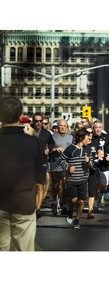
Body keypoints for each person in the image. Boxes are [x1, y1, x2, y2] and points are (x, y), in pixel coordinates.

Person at [0, 97, 44, 251]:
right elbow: (40, 180)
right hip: (24, 203)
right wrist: (37, 205)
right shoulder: (32, 142)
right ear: (20, 117)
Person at [60, 128, 93, 229]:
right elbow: (62, 160)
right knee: (74, 200)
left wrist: (88, 162)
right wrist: (68, 167)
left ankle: (77, 221)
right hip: (72, 180)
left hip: (83, 179)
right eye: (87, 137)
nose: (89, 139)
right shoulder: (70, 149)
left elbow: (91, 165)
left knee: (82, 201)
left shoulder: (88, 150)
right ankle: (70, 212)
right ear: (81, 138)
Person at [32, 112, 55, 219]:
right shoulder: (28, 132)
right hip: (28, 163)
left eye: (40, 121)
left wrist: (48, 149)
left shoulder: (46, 133)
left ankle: (38, 209)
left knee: (40, 185)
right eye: (36, 121)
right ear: (33, 121)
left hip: (41, 162)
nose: (38, 123)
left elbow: (52, 143)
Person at [49, 118, 74, 216]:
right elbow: (48, 150)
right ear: (57, 127)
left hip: (66, 163)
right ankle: (55, 202)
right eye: (61, 126)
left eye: (64, 126)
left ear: (67, 127)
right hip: (55, 163)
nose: (63, 127)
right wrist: (56, 149)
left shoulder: (71, 137)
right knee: (56, 186)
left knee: (64, 184)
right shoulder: (52, 137)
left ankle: (64, 204)